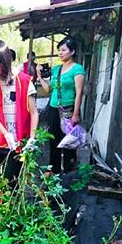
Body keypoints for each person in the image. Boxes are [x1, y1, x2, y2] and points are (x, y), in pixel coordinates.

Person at [0, 40, 39, 184]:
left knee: (13, 181)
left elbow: (34, 112)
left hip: (19, 138)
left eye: (0, 63)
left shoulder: (24, 80)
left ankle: (14, 204)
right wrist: (6, 133)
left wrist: (32, 137)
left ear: (7, 60)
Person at [36, 36, 86, 174]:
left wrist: (76, 114)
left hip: (68, 110)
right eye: (59, 50)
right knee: (54, 139)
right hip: (53, 108)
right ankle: (54, 170)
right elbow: (48, 90)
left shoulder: (77, 69)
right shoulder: (56, 69)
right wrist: (40, 76)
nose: (60, 53)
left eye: (63, 50)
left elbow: (79, 92)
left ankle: (70, 170)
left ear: (72, 51)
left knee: (69, 141)